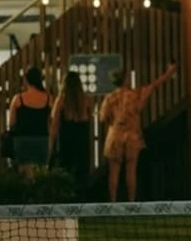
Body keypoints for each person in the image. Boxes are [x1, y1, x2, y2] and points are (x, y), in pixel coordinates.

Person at [99, 62, 176, 203]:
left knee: (114, 172)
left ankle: (113, 203)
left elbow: (103, 118)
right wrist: (168, 73)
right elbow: (154, 86)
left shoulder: (109, 98)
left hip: (114, 135)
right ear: (125, 79)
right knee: (131, 171)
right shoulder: (135, 95)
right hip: (132, 136)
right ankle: (131, 202)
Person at [49, 70, 93, 192]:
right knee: (81, 177)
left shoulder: (61, 100)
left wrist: (51, 146)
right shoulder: (87, 100)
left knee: (65, 177)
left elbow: (54, 126)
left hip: (66, 144)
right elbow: (90, 121)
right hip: (82, 144)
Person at [7, 66, 52, 170]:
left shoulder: (18, 99)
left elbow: (12, 123)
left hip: (22, 140)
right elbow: (51, 122)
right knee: (41, 175)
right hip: (42, 139)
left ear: (26, 80)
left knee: (24, 176)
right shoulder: (48, 99)